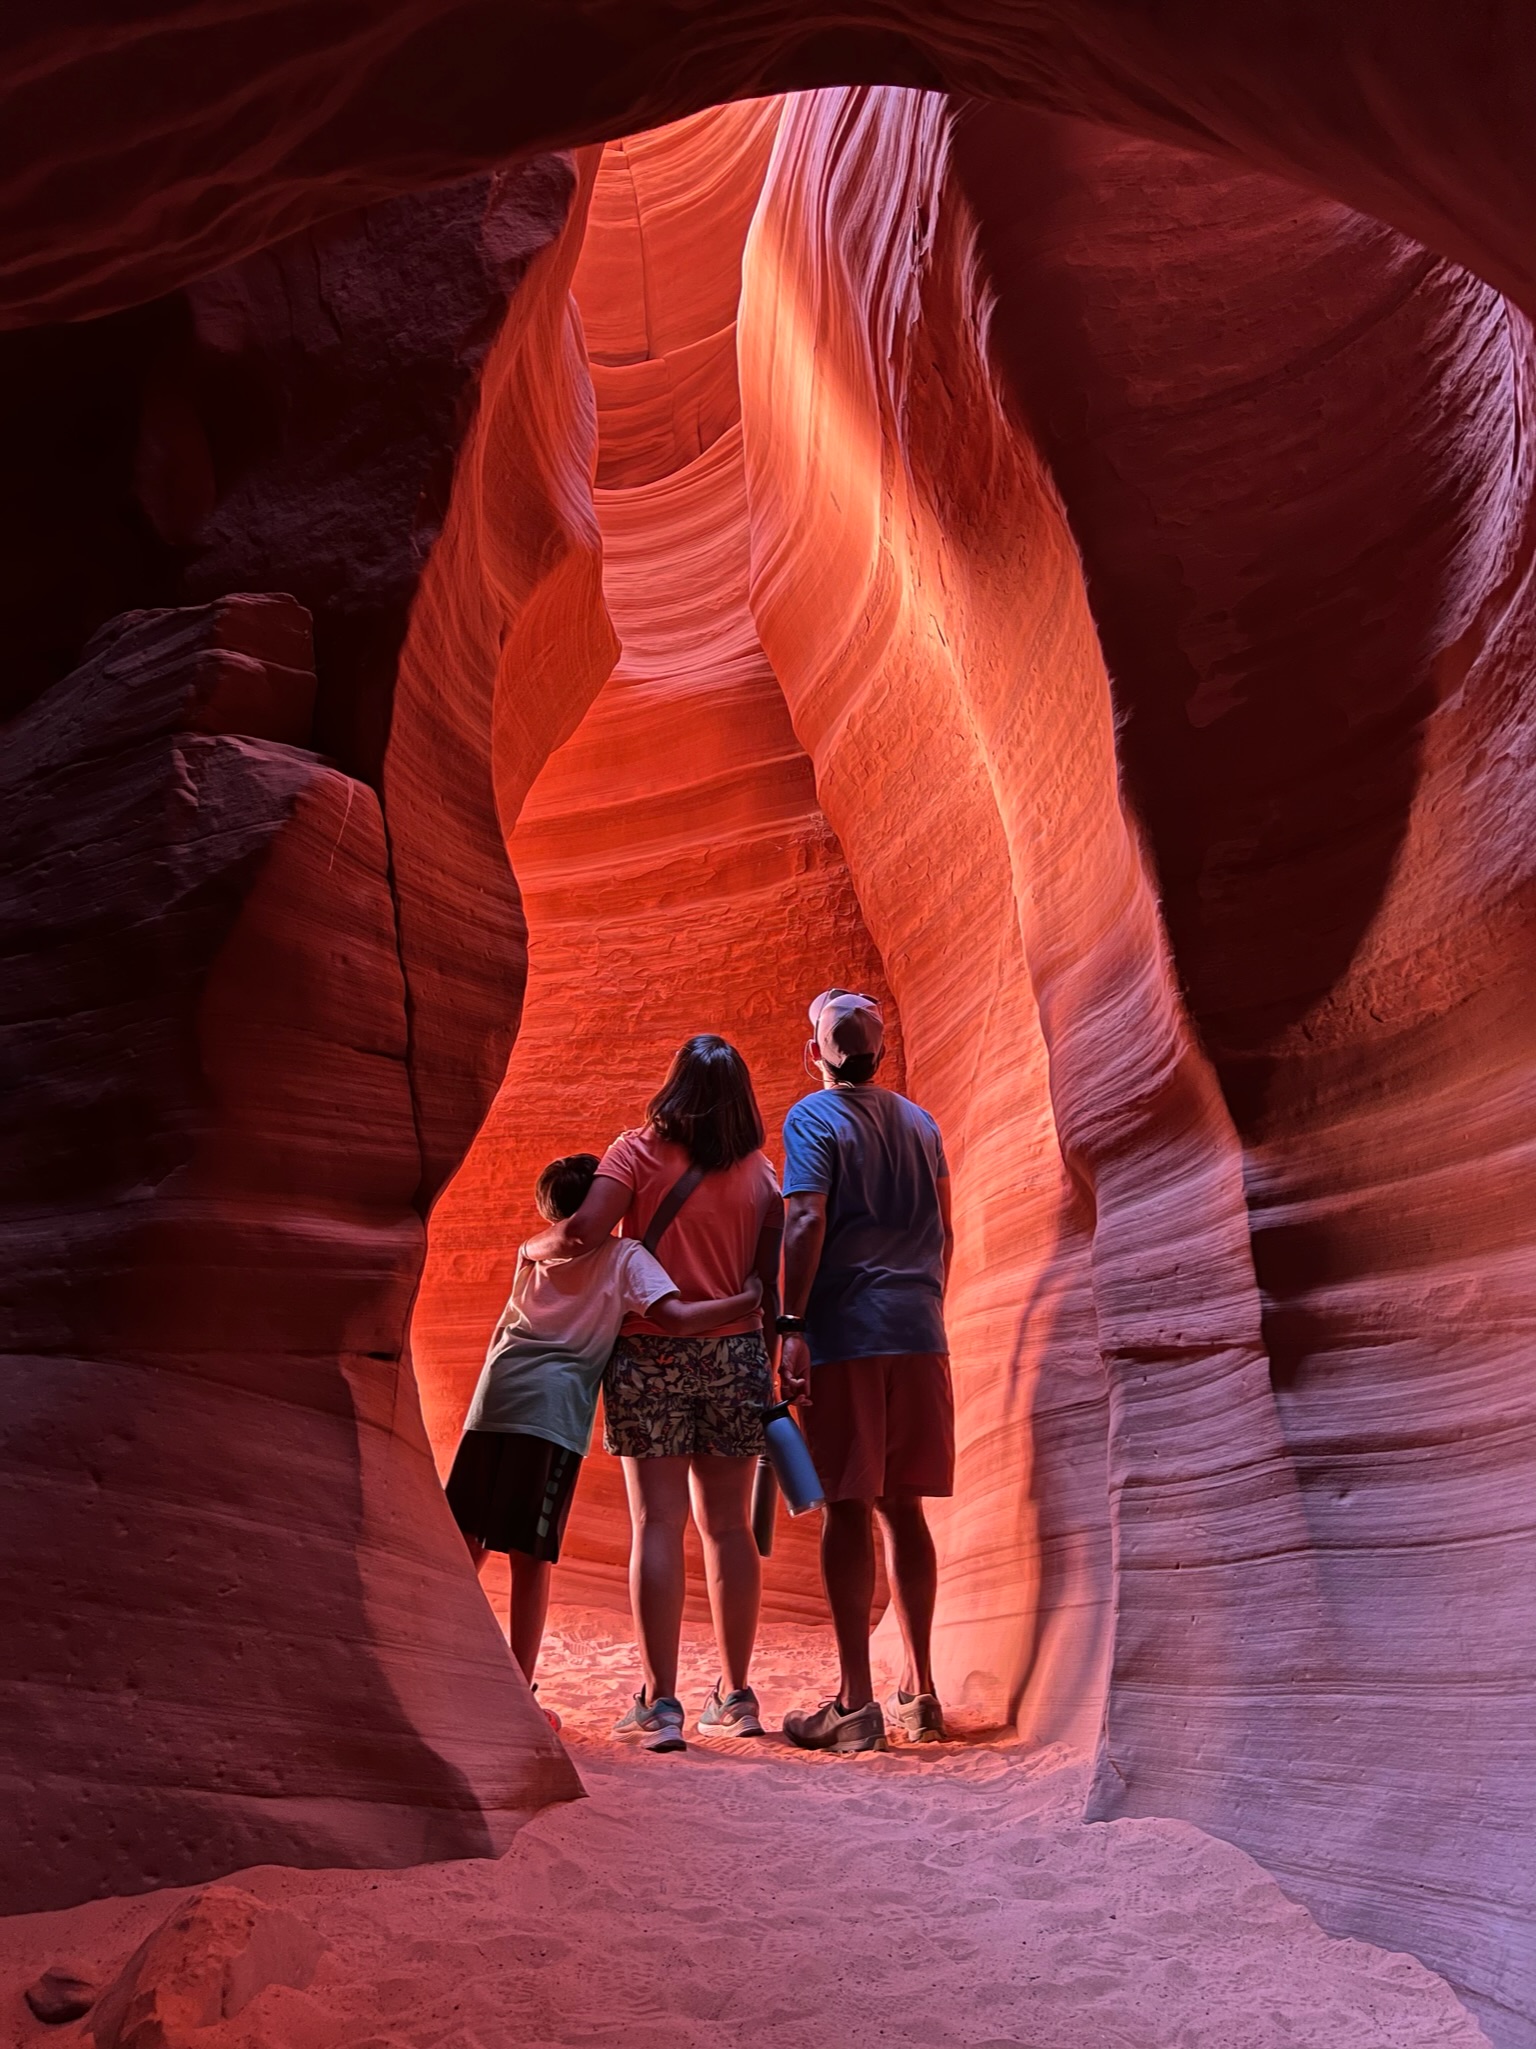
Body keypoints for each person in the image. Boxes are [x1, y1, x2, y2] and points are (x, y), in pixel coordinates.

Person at [525, 1037, 782, 1754]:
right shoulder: (762, 1174)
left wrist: (536, 1250)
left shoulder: (634, 1153)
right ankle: (736, 1695)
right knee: (729, 1529)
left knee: (658, 1524)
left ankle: (660, 1702)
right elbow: (767, 1285)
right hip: (734, 1354)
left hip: (649, 1354)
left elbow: (583, 1230)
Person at [446, 1151, 761, 1732]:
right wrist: (749, 1301)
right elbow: (677, 1317)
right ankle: (518, 1693)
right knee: (531, 1554)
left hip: (495, 1396)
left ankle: (441, 1667)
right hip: (553, 1409)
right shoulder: (623, 1256)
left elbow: (550, 1247)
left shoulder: (536, 1251)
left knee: (468, 1540)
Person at [776, 989, 955, 1753]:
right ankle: (920, 1690)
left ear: (815, 1053)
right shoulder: (922, 1122)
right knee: (904, 1508)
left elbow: (806, 1217)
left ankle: (854, 1701)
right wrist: (925, 1297)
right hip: (919, 1329)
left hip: (846, 1330)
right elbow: (945, 1226)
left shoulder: (812, 1119)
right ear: (879, 1053)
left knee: (846, 1507)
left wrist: (789, 1322)